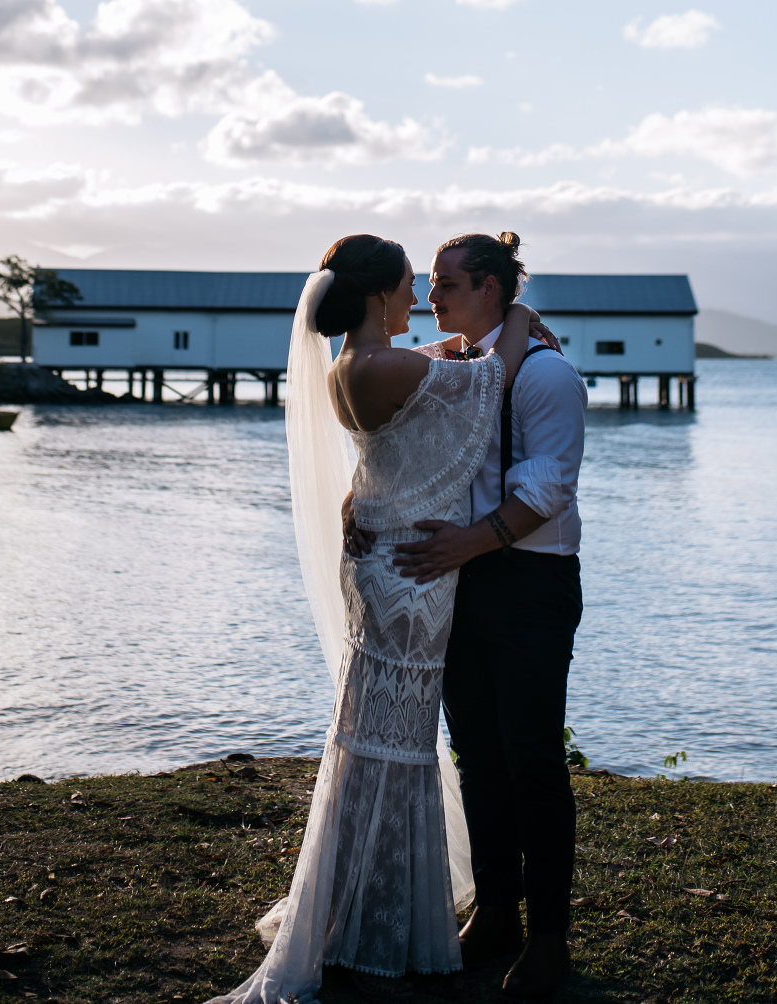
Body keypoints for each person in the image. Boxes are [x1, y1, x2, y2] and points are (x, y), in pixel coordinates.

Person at [209, 233, 552, 1004]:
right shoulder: (392, 367)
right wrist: (521, 318)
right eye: (406, 286)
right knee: (397, 745)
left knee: (371, 738)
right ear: (374, 297)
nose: (416, 299)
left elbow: (416, 394)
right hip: (412, 574)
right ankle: (382, 918)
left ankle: (354, 900)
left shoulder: (349, 367)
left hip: (376, 564)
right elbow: (490, 377)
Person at [390, 232, 587, 1002]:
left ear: (487, 289)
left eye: (444, 282)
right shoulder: (466, 361)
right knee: (474, 751)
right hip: (463, 582)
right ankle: (497, 914)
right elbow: (423, 358)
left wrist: (463, 545)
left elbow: (548, 490)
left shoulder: (547, 376)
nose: (431, 294)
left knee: (534, 758)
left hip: (529, 585)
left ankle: (549, 940)